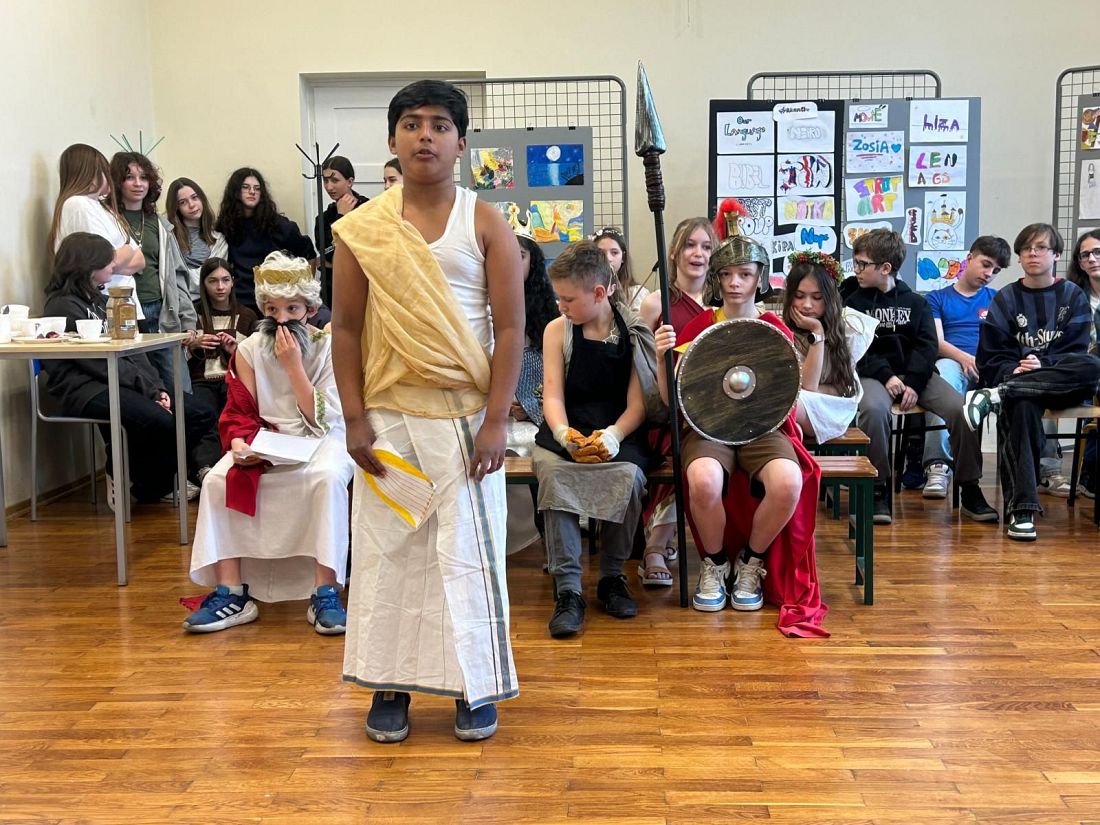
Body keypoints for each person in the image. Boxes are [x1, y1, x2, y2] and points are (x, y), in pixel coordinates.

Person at [332, 80, 523, 744]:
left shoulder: (485, 221)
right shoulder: (363, 230)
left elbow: (511, 330)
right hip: (388, 416)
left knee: (468, 554)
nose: (425, 136)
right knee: (389, 552)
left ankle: (475, 684)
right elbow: (346, 328)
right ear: (392, 139)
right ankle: (389, 683)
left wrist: (497, 421)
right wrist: (353, 418)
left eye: (440, 125)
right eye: (411, 124)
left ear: (461, 143)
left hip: (468, 421)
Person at [653, 206, 827, 637]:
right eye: (727, 274)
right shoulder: (699, 326)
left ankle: (750, 561)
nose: (734, 283)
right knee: (704, 479)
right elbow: (671, 400)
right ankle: (714, 565)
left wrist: (818, 339)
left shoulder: (773, 327)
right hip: (709, 427)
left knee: (788, 481)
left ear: (758, 278)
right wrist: (662, 357)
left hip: (762, 428)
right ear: (717, 278)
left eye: (744, 274)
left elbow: (800, 391)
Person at [183, 252, 355, 632]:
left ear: (310, 310)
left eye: (292, 308)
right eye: (273, 309)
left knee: (326, 479)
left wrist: (293, 366)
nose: (281, 320)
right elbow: (239, 410)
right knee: (216, 480)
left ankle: (325, 591)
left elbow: (324, 416)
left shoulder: (327, 347)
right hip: (265, 437)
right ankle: (232, 592)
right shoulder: (249, 350)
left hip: (321, 435)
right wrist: (240, 444)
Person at [535, 240, 660, 637]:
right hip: (566, 429)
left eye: (569, 299)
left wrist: (615, 435)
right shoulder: (557, 330)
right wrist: (562, 432)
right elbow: (552, 395)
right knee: (554, 476)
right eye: (559, 298)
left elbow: (638, 403)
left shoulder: (634, 332)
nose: (561, 306)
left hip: (619, 430)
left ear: (599, 292)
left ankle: (611, 577)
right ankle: (568, 588)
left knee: (629, 478)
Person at [41, 233, 214, 509]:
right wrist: (148, 392)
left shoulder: (102, 300)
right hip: (87, 387)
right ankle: (139, 478)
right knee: (160, 421)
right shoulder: (62, 306)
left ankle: (148, 482)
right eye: (107, 262)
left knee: (199, 413)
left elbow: (133, 351)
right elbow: (96, 362)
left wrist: (157, 388)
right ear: (88, 265)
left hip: (120, 380)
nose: (114, 266)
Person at [844, 229, 996, 525]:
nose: (857, 269)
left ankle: (970, 488)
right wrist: (888, 377)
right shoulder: (853, 302)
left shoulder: (916, 302)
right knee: (873, 410)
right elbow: (856, 349)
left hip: (917, 375)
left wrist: (913, 382)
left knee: (962, 411)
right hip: (875, 375)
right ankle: (877, 488)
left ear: (885, 268)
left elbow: (927, 347)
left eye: (862, 264)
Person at [965, 223, 1100, 541]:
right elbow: (990, 356)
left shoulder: (1072, 295)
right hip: (1021, 383)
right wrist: (1015, 369)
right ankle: (1021, 510)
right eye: (1026, 248)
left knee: (1093, 365)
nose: (1032, 253)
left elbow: (1078, 350)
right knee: (1022, 404)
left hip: (1063, 385)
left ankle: (997, 395)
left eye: (1040, 248)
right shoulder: (1005, 299)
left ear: (1056, 255)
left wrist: (1044, 364)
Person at [635, 217, 716, 585]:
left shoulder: (721, 304)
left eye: (706, 247)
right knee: (676, 446)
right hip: (668, 412)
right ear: (673, 252)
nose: (697, 254)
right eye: (690, 245)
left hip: (714, 413)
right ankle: (655, 545)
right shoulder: (656, 304)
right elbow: (640, 369)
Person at [916, 236, 1010, 498]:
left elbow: (1006, 340)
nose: (989, 274)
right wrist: (965, 358)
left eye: (996, 270)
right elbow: (936, 342)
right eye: (986, 264)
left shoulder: (998, 299)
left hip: (991, 365)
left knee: (1028, 384)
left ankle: (1039, 468)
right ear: (969, 259)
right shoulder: (936, 298)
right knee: (944, 377)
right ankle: (938, 466)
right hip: (953, 361)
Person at [110, 152, 199, 391]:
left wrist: (188, 320)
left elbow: (176, 274)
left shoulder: (159, 223)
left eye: (143, 177)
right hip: (123, 314)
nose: (138, 184)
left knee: (180, 388)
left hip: (161, 312)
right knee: (141, 390)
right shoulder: (109, 219)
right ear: (117, 182)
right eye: (130, 177)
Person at [781, 250, 877, 443]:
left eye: (817, 298)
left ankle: (793, 433)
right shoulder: (782, 331)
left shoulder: (849, 327)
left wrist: (817, 332)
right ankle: (793, 433)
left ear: (829, 298)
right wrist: (814, 389)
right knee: (782, 403)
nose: (807, 305)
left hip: (833, 408)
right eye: (799, 296)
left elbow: (834, 389)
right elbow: (807, 388)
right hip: (796, 405)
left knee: (788, 403)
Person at [505, 228, 559, 552]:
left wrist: (528, 406)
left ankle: (547, 536)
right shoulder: (482, 302)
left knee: (537, 449)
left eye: (520, 255)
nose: (512, 261)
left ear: (532, 261)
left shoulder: (548, 313)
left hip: (534, 415)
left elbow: (551, 373)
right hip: (493, 413)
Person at [47, 144, 146, 308]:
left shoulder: (104, 207)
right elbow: (101, 264)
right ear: (90, 174)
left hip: (124, 302)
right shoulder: (78, 204)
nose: (110, 177)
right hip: (102, 301)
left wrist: (121, 255)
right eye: (104, 171)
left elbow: (140, 260)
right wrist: (128, 249)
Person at [187, 258, 260, 479]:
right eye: (213, 281)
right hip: (201, 380)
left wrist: (235, 350)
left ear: (233, 282)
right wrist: (194, 345)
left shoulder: (246, 315)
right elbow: (179, 356)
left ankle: (236, 464)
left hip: (234, 379)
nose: (220, 287)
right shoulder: (192, 314)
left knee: (234, 414)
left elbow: (255, 359)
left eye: (225, 280)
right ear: (203, 283)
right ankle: (205, 469)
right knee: (204, 414)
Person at [214, 167, 317, 312]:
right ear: (235, 192)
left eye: (257, 188)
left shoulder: (280, 225)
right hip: (240, 302)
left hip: (274, 301)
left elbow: (309, 255)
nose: (252, 192)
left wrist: (304, 292)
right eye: (246, 187)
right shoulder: (226, 226)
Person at [1066, 229, 1100, 498]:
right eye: (1085, 255)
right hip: (1080, 370)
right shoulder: (1071, 296)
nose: (1091, 259)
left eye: (1097, 252)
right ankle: (1090, 471)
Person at [316, 156, 370, 308]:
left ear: (350, 181)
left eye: (335, 180)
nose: (329, 187)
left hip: (365, 286)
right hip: (333, 290)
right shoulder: (323, 218)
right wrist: (341, 217)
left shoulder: (369, 209)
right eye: (325, 180)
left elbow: (367, 255)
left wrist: (333, 260)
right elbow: (329, 255)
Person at [165, 177, 228, 300]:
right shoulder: (168, 236)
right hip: (177, 302)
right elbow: (168, 275)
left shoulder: (218, 239)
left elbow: (215, 277)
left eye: (194, 197)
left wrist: (182, 277)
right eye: (183, 202)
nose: (192, 205)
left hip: (207, 302)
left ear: (201, 198)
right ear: (176, 208)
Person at [593, 226, 648, 315]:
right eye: (601, 253)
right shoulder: (585, 292)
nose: (608, 258)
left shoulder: (636, 293)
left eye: (614, 252)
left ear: (623, 257)